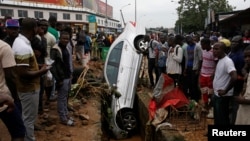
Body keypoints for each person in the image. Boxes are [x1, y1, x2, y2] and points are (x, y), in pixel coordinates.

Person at [12, 17, 50, 141]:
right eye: (38, 27)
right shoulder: (23, 46)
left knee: (27, 116)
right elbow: (23, 73)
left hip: (27, 88)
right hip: (29, 89)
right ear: (34, 29)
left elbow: (24, 66)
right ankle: (29, 138)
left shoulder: (21, 42)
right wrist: (42, 71)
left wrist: (37, 66)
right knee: (29, 119)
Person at [0, 39, 26, 141]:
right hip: (4, 100)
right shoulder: (4, 47)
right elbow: (10, 77)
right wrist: (15, 98)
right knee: (18, 132)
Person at [50, 31, 74, 126]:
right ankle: (63, 118)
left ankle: (66, 114)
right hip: (62, 78)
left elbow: (67, 63)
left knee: (65, 97)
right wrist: (58, 79)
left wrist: (70, 74)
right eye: (63, 38)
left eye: (67, 39)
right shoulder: (55, 49)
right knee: (61, 97)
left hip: (67, 76)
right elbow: (53, 66)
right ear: (60, 38)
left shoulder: (66, 48)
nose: (65, 40)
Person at [212, 42, 237, 125]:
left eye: (217, 49)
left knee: (222, 118)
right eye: (213, 49)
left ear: (223, 50)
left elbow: (234, 77)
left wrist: (225, 90)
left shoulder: (228, 61)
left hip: (223, 96)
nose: (214, 51)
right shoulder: (220, 60)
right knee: (217, 117)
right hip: (217, 94)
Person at [227, 35, 245, 124]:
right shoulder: (231, 53)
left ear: (240, 43)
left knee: (235, 105)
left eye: (236, 42)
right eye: (232, 42)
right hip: (229, 82)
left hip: (237, 83)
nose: (233, 44)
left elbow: (241, 72)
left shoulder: (241, 56)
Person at [199, 38, 217, 118]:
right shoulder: (203, 51)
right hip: (203, 75)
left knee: (210, 93)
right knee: (204, 92)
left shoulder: (213, 52)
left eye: (202, 44)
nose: (201, 46)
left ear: (207, 44)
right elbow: (203, 62)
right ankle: (206, 107)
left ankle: (211, 109)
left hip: (210, 76)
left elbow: (216, 64)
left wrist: (213, 74)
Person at [183, 35, 203, 101]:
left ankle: (196, 98)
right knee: (189, 83)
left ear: (192, 40)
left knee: (194, 83)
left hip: (195, 67)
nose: (189, 43)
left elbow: (200, 59)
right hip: (188, 67)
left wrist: (198, 69)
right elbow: (186, 58)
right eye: (188, 42)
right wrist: (185, 69)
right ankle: (191, 97)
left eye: (190, 41)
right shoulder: (187, 47)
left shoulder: (197, 46)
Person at [235, 45, 250, 124]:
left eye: (249, 56)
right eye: (245, 57)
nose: (247, 59)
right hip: (244, 109)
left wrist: (244, 101)